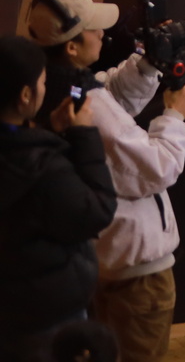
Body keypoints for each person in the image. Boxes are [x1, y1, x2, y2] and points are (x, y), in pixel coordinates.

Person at [27, 0, 185, 362]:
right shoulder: (88, 106)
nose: (102, 33)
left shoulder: (52, 85)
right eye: (93, 29)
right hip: (137, 274)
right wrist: (174, 116)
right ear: (71, 47)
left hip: (102, 261)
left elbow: (109, 94)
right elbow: (158, 166)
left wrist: (147, 64)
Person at [0, 35, 116, 362]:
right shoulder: (44, 169)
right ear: (25, 96)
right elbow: (96, 210)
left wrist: (49, 133)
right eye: (41, 82)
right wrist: (85, 135)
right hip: (45, 320)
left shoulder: (27, 155)